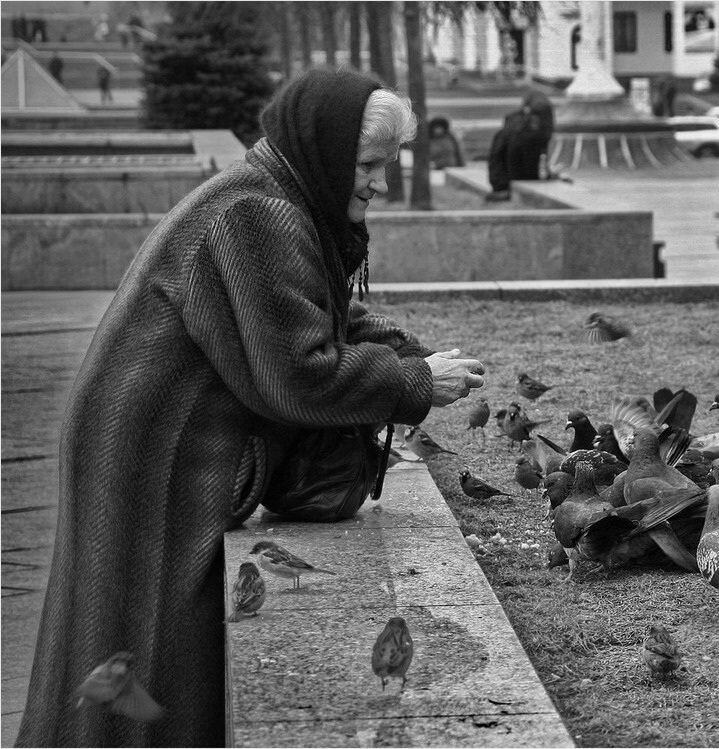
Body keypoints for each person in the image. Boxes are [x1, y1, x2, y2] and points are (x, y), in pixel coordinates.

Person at [15, 68, 486, 748]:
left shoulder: (274, 196)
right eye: (370, 166)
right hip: (150, 448)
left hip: (150, 436)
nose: (380, 184)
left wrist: (408, 351)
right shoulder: (255, 212)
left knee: (136, 640)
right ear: (325, 152)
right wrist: (412, 380)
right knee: (140, 634)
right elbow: (296, 375)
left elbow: (316, 313)